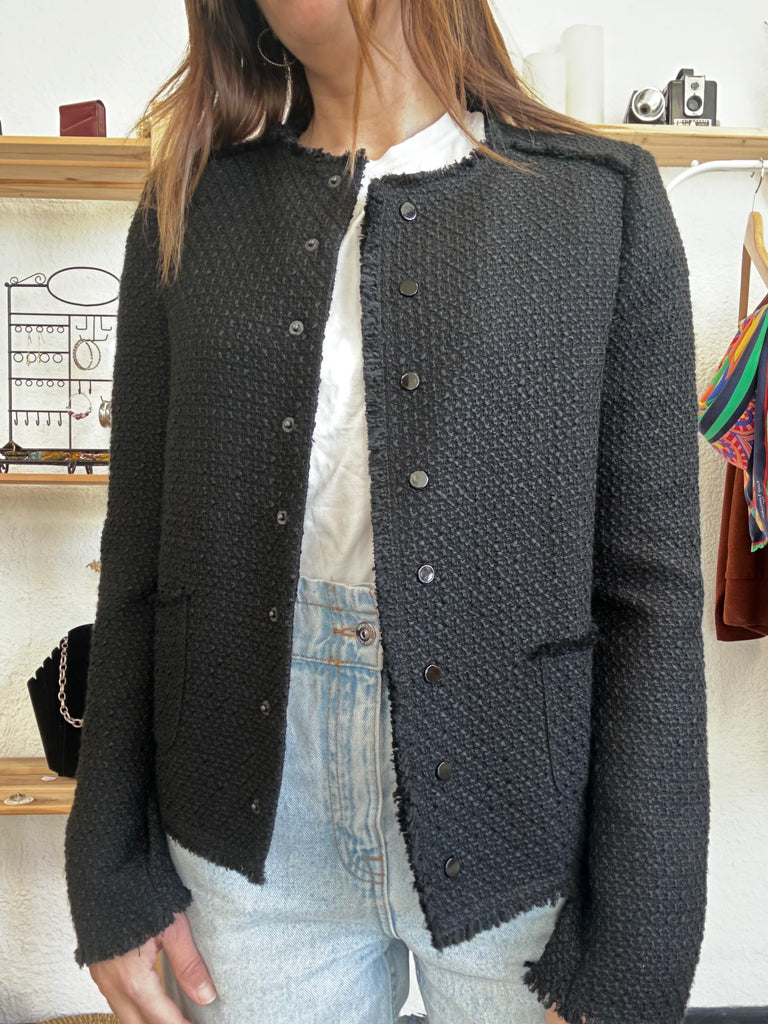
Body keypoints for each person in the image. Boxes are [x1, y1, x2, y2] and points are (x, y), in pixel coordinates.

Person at [63, 1, 711, 1023]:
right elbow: (137, 553)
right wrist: (106, 868)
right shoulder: (190, 205)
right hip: (241, 826)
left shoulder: (599, 200)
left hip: (521, 820)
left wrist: (640, 943)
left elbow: (651, 595)